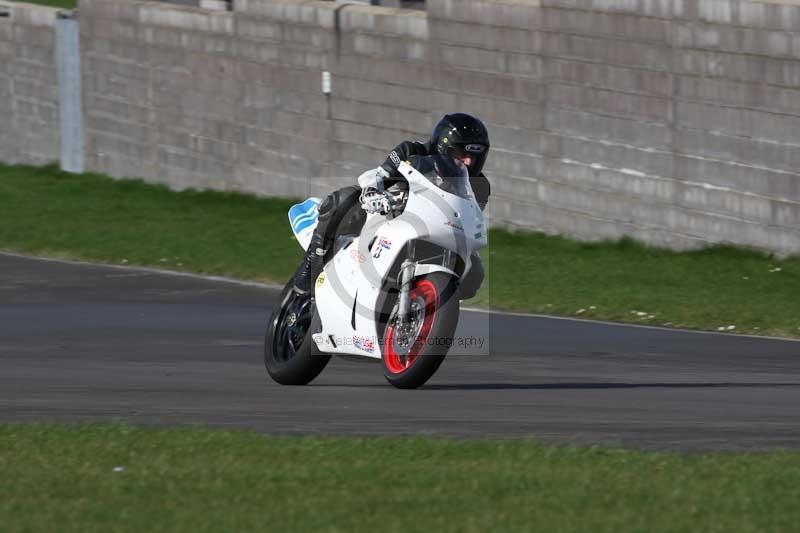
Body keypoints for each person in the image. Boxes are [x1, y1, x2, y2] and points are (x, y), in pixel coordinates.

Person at [292, 113, 491, 298]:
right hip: (393, 213)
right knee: (344, 198)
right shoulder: (411, 151)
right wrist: (373, 192)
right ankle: (311, 263)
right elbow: (380, 175)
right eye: (460, 153)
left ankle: (428, 307)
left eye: (473, 156)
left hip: (440, 230)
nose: (467, 161)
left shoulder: (480, 187)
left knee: (475, 275)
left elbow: (468, 217)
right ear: (442, 146)